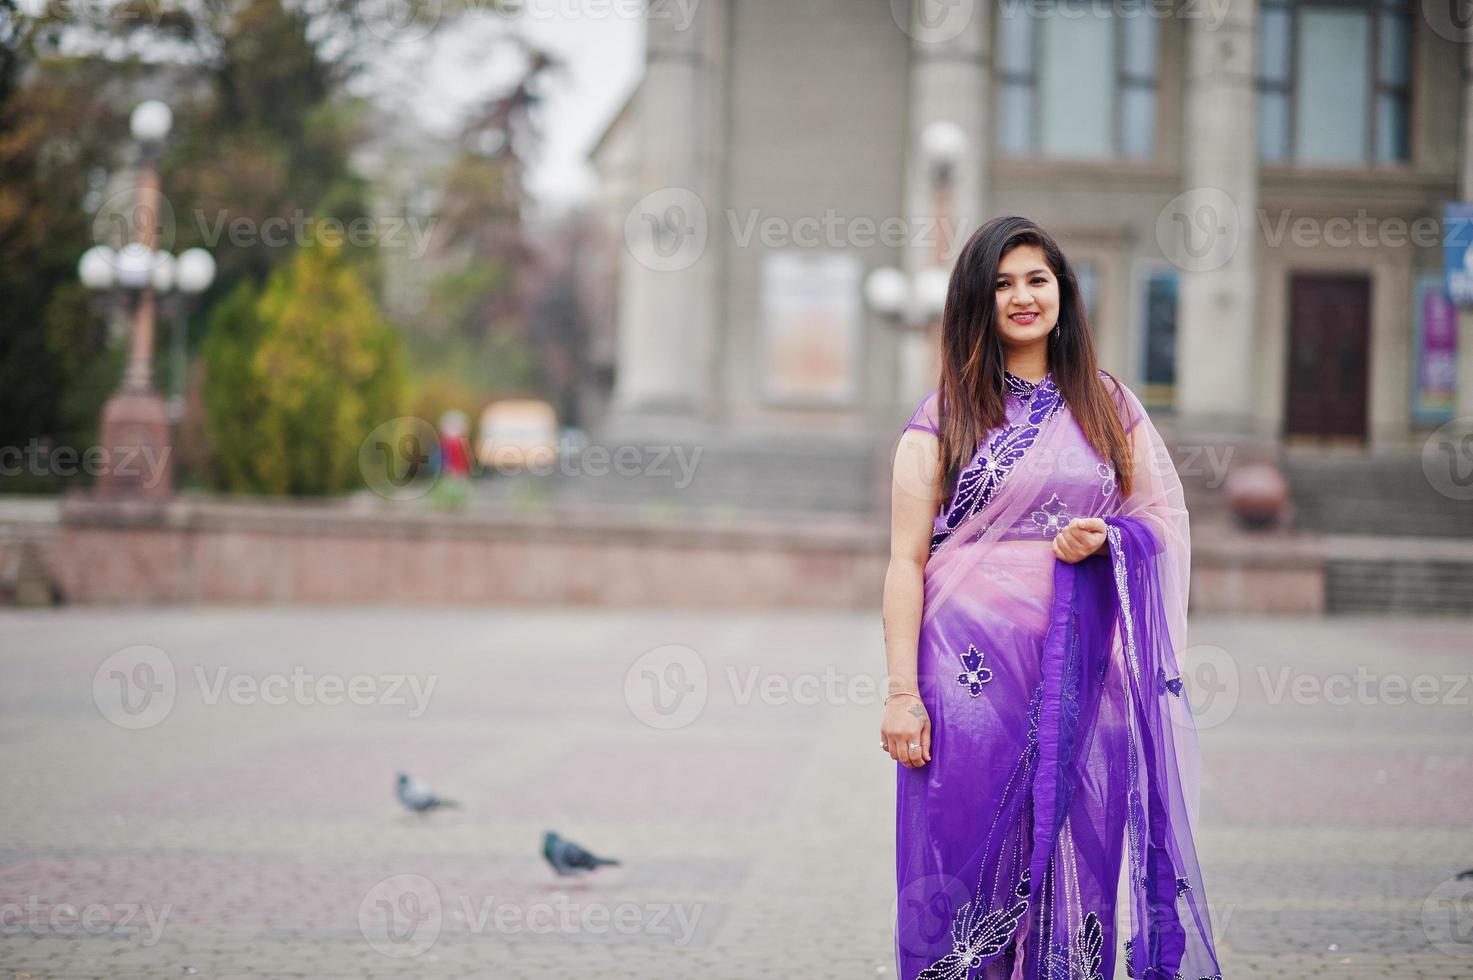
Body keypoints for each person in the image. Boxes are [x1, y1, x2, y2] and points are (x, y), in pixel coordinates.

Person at [882, 216, 1223, 980]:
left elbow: (1158, 521)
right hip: (963, 680)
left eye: (1036, 278)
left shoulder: (1108, 406)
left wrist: (1108, 539)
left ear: (1062, 292)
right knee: (965, 858)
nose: (1021, 296)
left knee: (1078, 851)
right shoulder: (942, 417)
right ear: (977, 300)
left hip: (1080, 674)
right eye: (1001, 283)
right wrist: (902, 695)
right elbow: (904, 563)